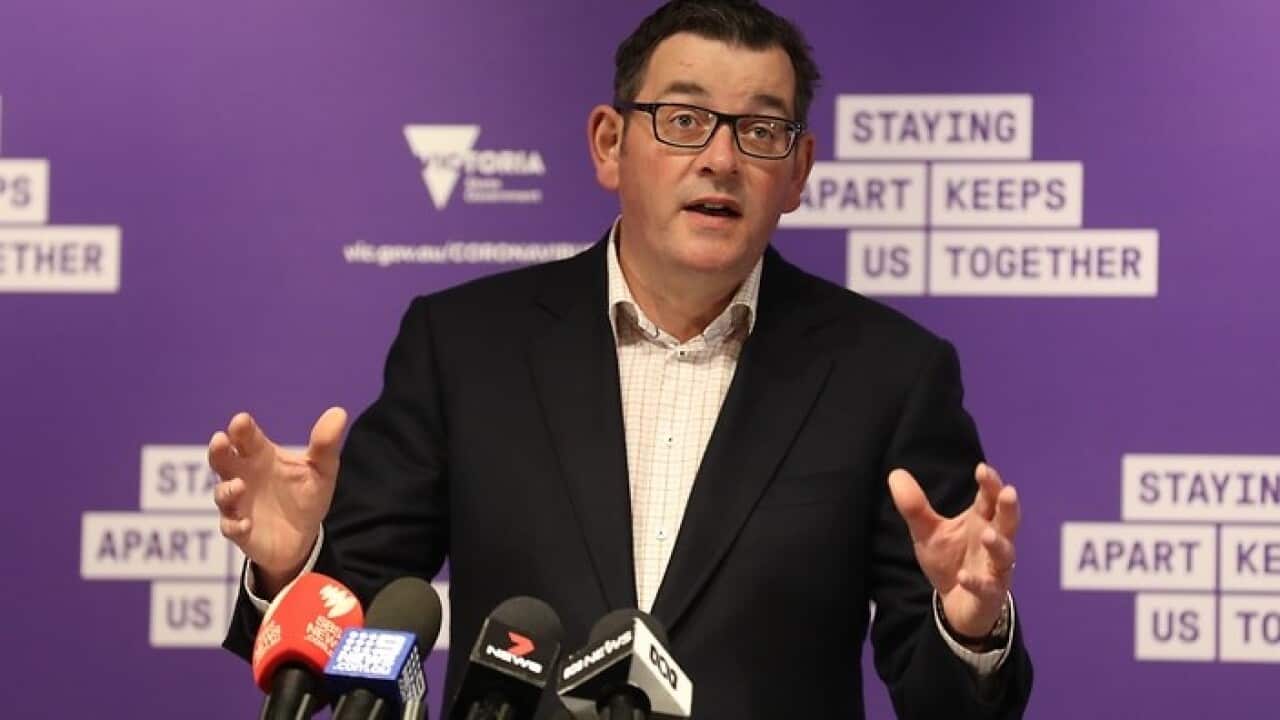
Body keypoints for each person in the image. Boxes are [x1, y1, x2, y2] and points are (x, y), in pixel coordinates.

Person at [211, 1, 1033, 717]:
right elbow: (354, 635)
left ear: (799, 172)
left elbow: (949, 705)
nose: (721, 158)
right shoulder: (466, 347)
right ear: (610, 144)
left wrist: (968, 627)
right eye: (683, 120)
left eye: (761, 129)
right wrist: (294, 565)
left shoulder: (887, 374)